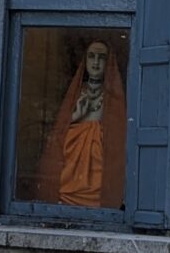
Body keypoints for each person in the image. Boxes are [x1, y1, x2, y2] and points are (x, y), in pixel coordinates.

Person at [34, 40, 126, 209]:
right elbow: (57, 138)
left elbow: (117, 142)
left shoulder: (114, 100)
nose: (96, 62)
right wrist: (76, 117)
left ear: (108, 62)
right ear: (85, 61)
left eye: (101, 57)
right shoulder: (75, 94)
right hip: (67, 182)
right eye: (91, 56)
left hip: (98, 184)